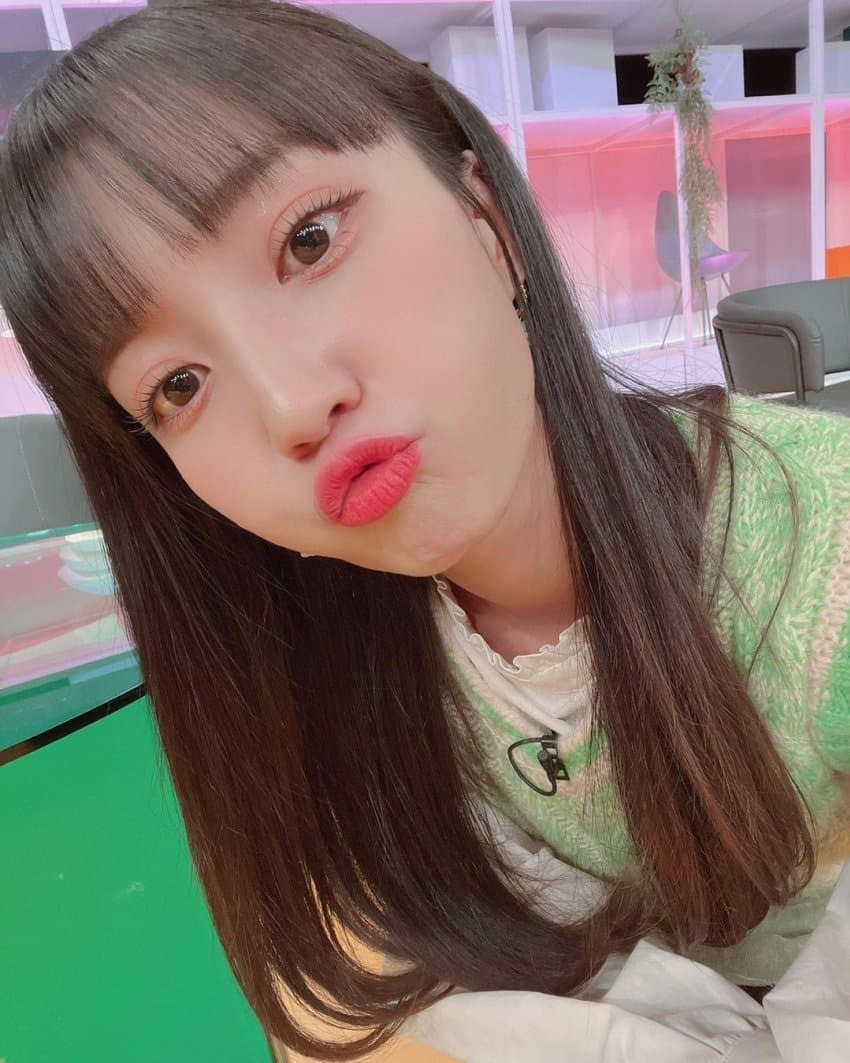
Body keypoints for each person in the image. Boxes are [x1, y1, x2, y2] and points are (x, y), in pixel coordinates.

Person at [0, 2, 848, 1059]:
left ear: (485, 214)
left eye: (309, 240)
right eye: (178, 384)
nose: (291, 405)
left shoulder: (821, 553)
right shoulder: (299, 674)